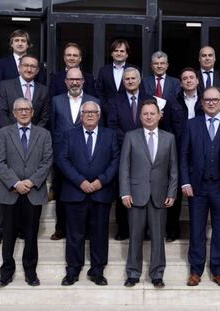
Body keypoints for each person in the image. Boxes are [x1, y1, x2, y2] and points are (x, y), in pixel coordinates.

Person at [181, 87, 220, 288]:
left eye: (215, 99)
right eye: (207, 100)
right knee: (197, 229)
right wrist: (185, 181)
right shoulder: (191, 125)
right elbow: (184, 156)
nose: (211, 103)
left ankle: (218, 270)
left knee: (219, 229)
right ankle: (196, 270)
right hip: (197, 188)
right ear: (201, 102)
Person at [58, 101, 119, 286]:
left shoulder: (110, 135)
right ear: (81, 115)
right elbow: (62, 159)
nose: (90, 115)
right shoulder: (69, 135)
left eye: (94, 112)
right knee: (75, 234)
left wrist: (101, 180)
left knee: (99, 234)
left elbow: (116, 160)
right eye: (86, 112)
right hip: (75, 192)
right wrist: (81, 182)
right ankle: (73, 271)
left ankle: (97, 270)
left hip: (102, 192)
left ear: (99, 116)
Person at [0, 97, 53, 287]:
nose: (24, 112)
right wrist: (16, 183)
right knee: (8, 234)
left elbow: (47, 162)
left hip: (33, 192)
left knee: (31, 234)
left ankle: (30, 272)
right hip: (10, 192)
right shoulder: (3, 133)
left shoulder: (44, 134)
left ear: (33, 112)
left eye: (27, 109)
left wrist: (31, 182)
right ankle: (6, 272)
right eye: (20, 109)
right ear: (14, 113)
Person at [0, 54, 49, 243]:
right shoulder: (6, 85)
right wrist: (13, 132)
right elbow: (2, 112)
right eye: (26, 66)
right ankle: (2, 228)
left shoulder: (43, 90)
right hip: (10, 139)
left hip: (34, 140)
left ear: (37, 70)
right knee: (7, 188)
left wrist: (33, 132)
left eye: (33, 67)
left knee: (29, 197)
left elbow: (44, 116)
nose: (29, 69)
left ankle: (24, 228)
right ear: (20, 67)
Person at [120, 99, 178, 288]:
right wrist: (125, 192)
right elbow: (124, 167)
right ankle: (133, 273)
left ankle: (157, 274)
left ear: (159, 115)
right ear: (140, 116)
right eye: (145, 113)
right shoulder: (131, 136)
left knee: (158, 237)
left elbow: (174, 169)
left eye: (152, 113)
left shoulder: (169, 138)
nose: (148, 116)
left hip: (160, 195)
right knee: (135, 236)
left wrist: (172, 192)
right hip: (136, 195)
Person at [49, 67, 100, 241]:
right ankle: (60, 228)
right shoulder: (56, 101)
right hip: (61, 155)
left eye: (78, 79)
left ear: (83, 81)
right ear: (66, 82)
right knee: (62, 193)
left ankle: (85, 229)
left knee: (84, 194)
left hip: (85, 154)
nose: (75, 82)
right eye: (71, 79)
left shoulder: (93, 101)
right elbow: (53, 127)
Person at [107, 67, 154, 240]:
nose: (130, 81)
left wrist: (140, 139)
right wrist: (130, 139)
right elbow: (112, 125)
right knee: (124, 188)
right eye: (127, 79)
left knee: (146, 189)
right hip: (122, 150)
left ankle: (147, 228)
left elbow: (153, 123)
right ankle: (123, 228)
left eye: (133, 78)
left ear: (140, 80)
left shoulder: (149, 100)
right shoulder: (114, 101)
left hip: (147, 152)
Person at [166, 67, 204, 242]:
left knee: (198, 192)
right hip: (178, 149)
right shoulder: (172, 102)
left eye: (191, 77)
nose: (188, 80)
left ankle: (198, 231)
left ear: (197, 80)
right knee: (175, 190)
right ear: (181, 83)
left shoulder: (206, 101)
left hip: (200, 152)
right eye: (185, 78)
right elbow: (167, 128)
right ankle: (172, 231)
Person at [95, 39, 137, 122]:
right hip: (107, 113)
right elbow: (99, 92)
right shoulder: (103, 71)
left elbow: (138, 91)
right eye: (116, 51)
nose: (119, 53)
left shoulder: (134, 69)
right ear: (111, 53)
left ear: (127, 54)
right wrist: (106, 108)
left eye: (122, 51)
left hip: (128, 112)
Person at [0, 29, 44, 94]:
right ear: (11, 44)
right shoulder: (2, 63)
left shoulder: (37, 64)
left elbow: (41, 87)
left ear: (28, 45)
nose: (20, 44)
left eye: (23, 41)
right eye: (16, 40)